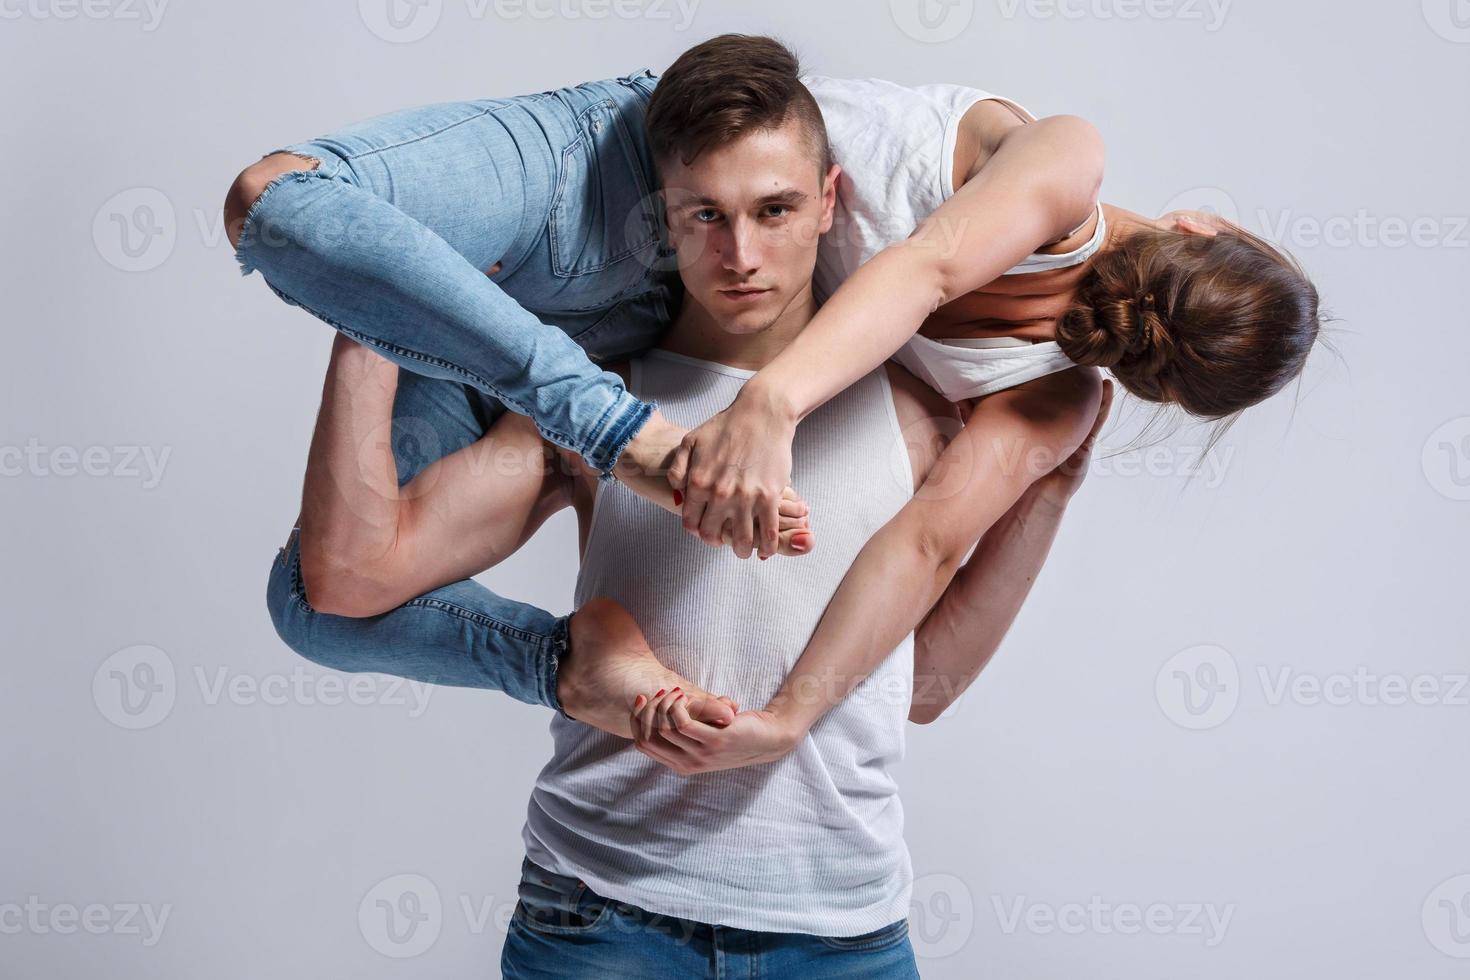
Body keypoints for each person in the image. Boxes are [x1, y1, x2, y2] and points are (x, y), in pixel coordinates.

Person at [287, 52, 1109, 972]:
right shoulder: (603, 407)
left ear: (831, 200)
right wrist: (377, 318)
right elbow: (353, 575)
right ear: (664, 221)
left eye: (775, 210)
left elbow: (924, 689)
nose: (741, 256)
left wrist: (1051, 493)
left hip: (841, 932)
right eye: (705, 216)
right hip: (600, 920)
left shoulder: (920, 415)